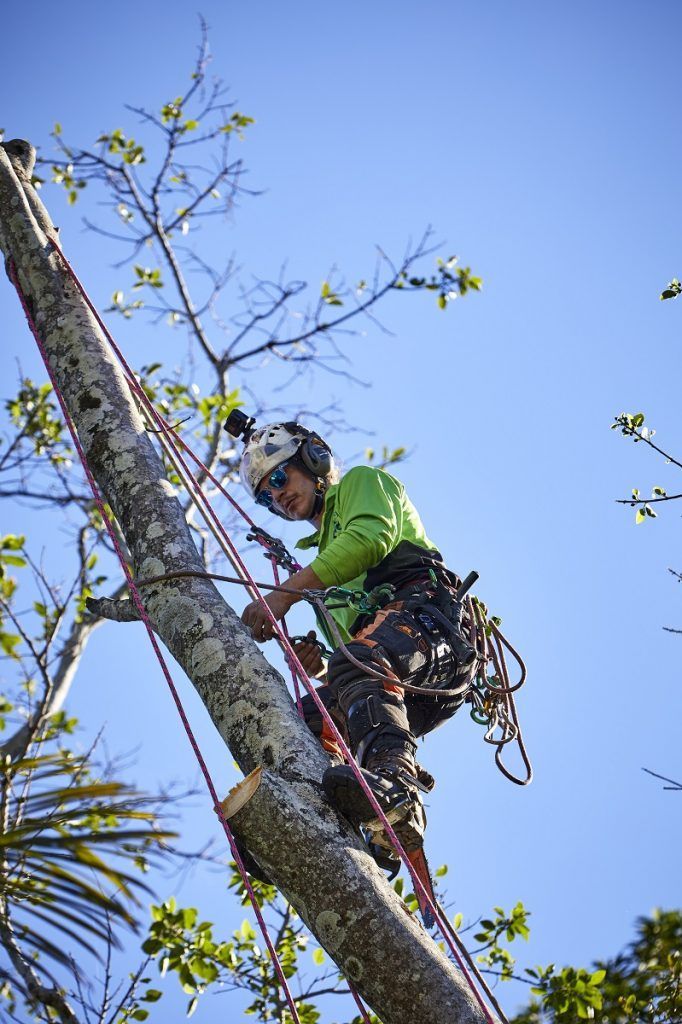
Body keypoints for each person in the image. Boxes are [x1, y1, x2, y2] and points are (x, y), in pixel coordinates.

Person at [239, 421, 477, 869]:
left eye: (279, 478)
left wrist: (285, 593)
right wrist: (321, 666)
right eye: (267, 497)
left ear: (313, 460)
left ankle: (398, 792)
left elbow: (369, 539)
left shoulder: (363, 483)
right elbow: (352, 660)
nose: (278, 496)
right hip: (395, 683)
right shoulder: (321, 570)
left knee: (359, 662)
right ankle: (311, 825)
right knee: (301, 718)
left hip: (429, 626)